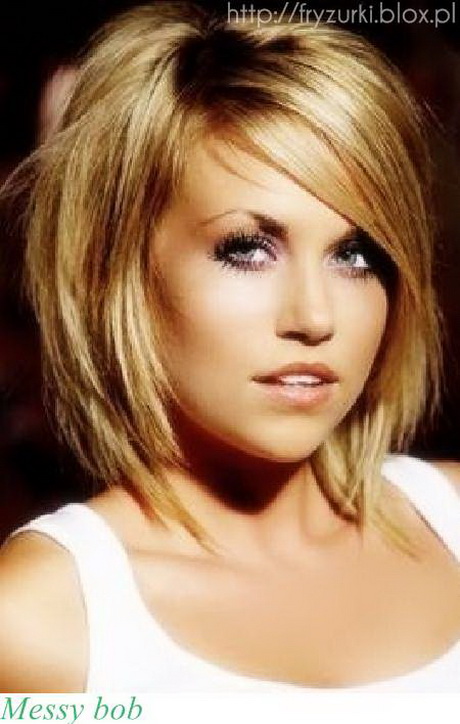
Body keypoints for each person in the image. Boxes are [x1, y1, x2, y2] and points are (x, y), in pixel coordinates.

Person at [0, 1, 459, 694]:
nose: (315, 317)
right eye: (246, 249)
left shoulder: (453, 518)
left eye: (356, 254)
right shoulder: (48, 626)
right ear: (119, 270)